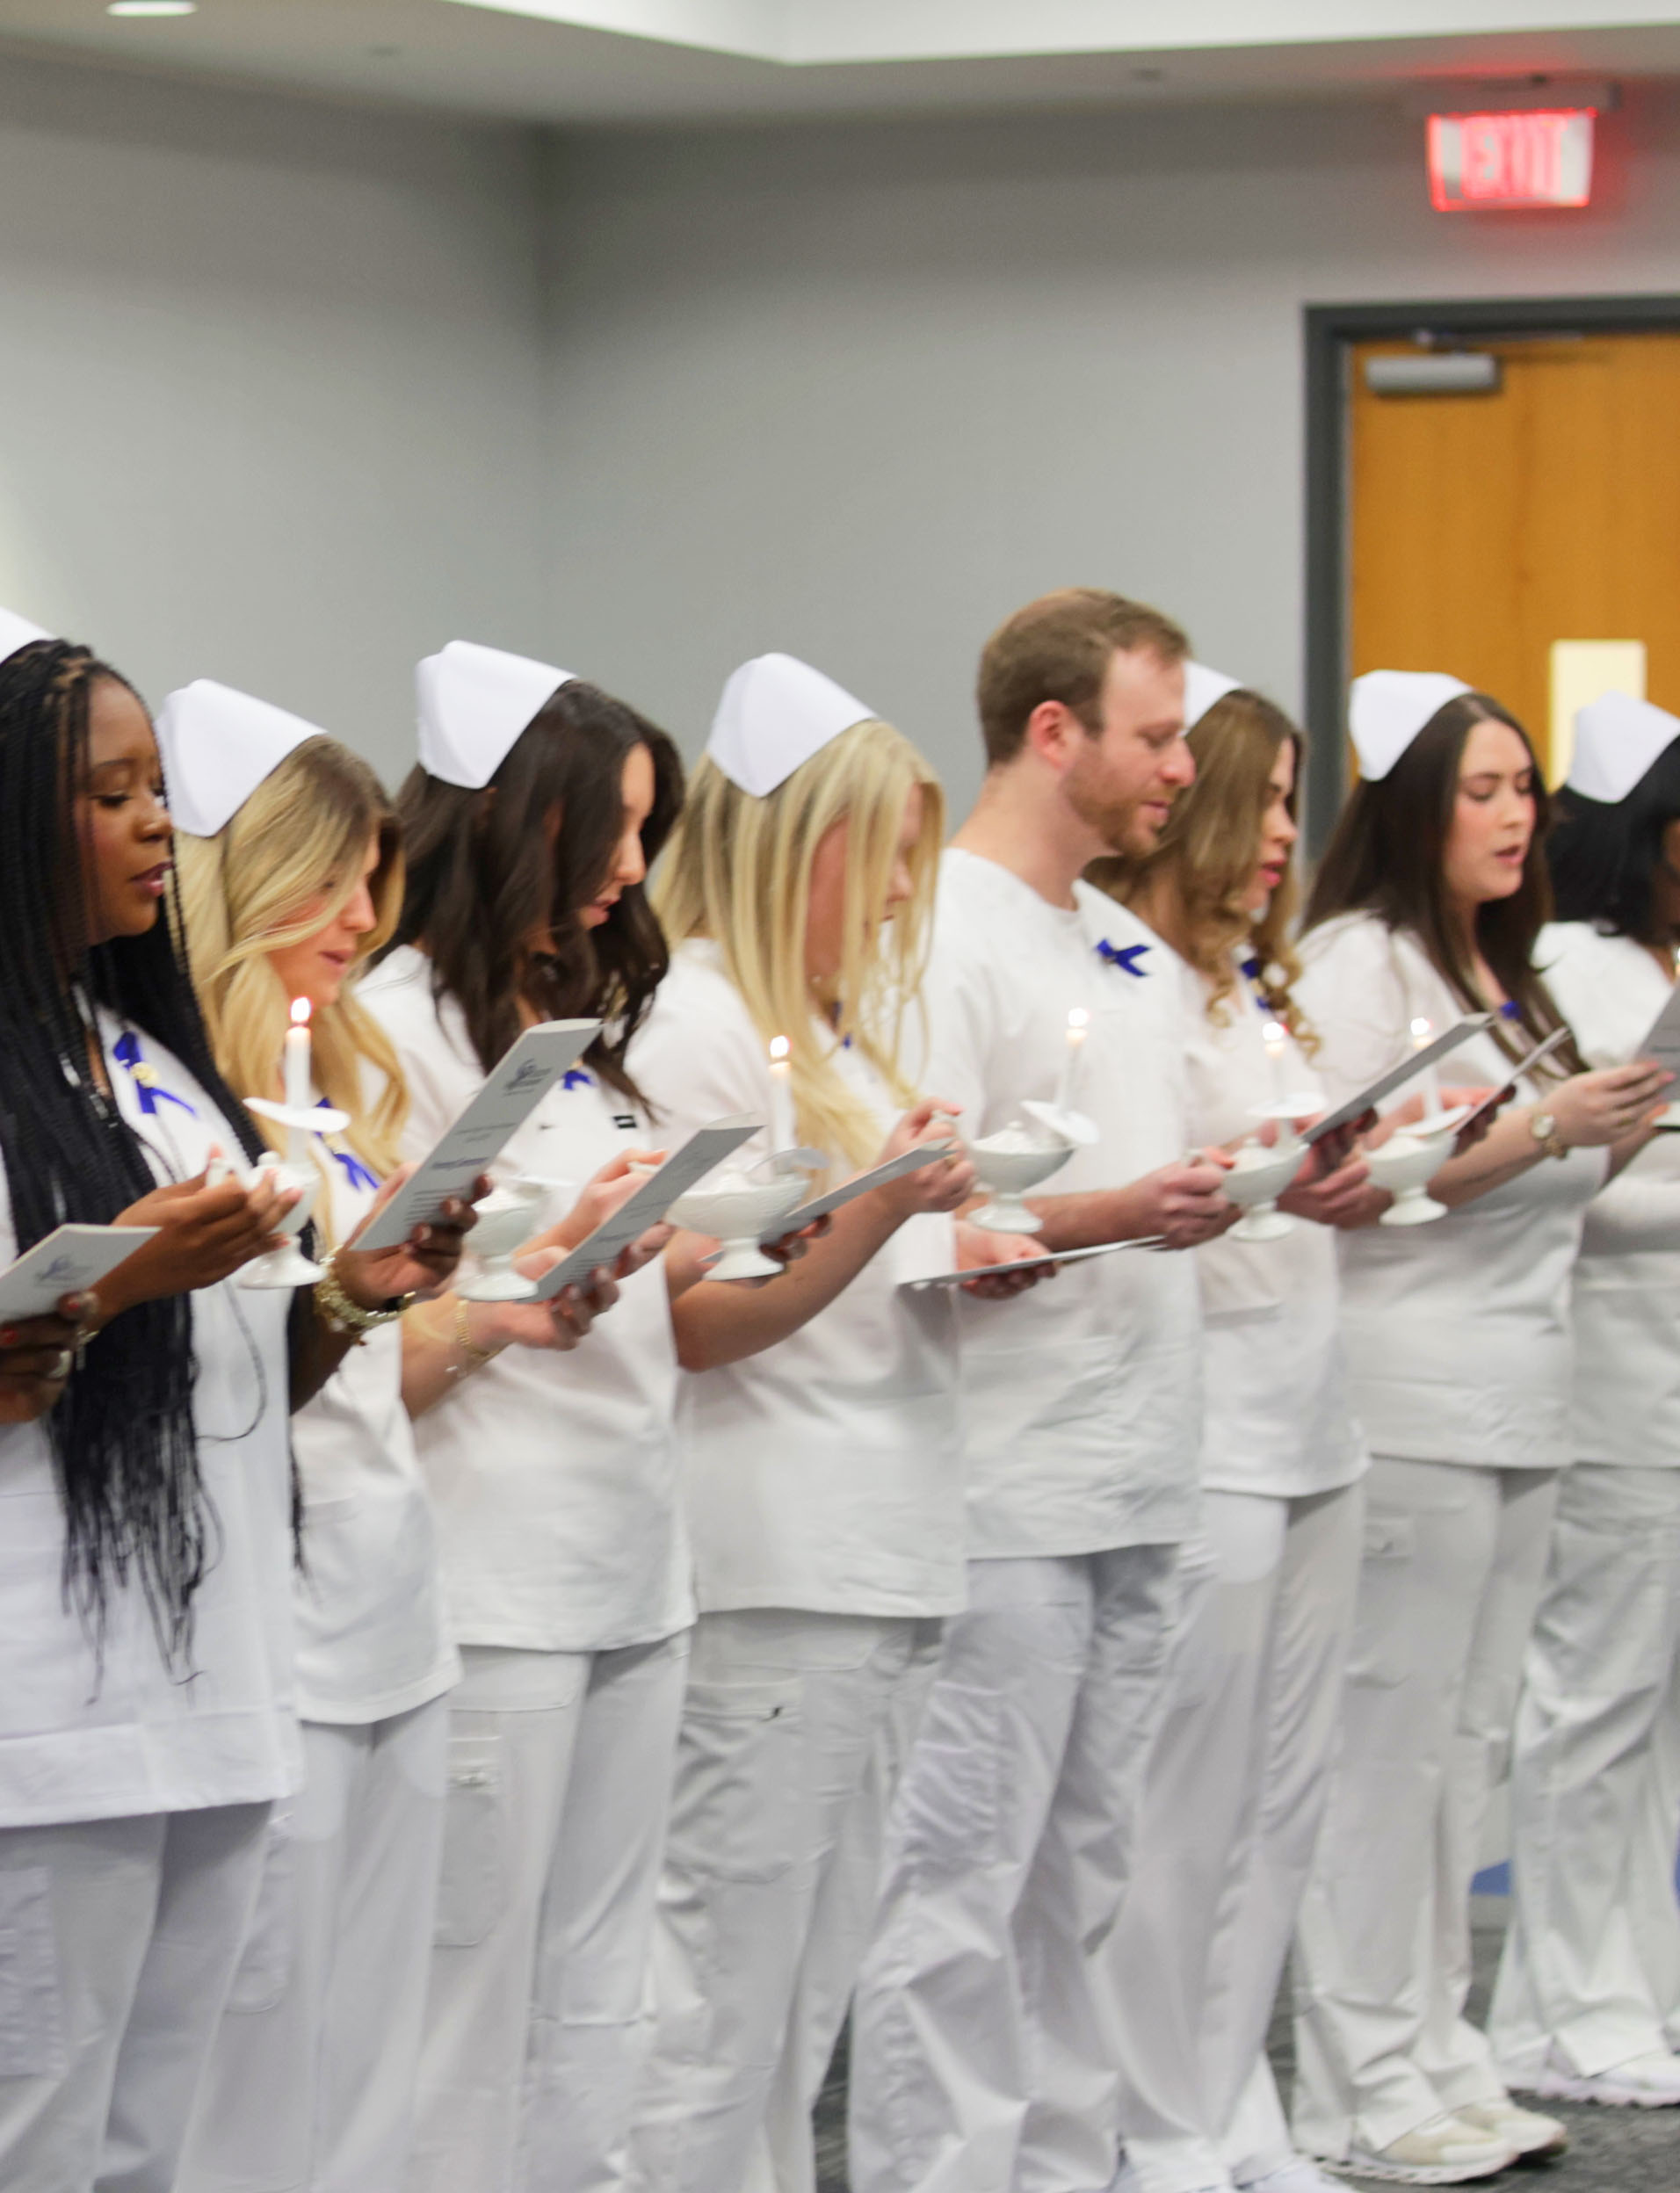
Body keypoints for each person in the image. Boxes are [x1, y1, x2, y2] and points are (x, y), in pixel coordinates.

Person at [0, 586, 464, 2193]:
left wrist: (358, 1293)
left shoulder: (133, 1048)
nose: (159, 827)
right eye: (115, 792)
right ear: (2, 808)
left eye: (157, 792)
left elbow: (229, 1382)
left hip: (204, 1691)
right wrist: (111, 1277)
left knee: (158, 2156)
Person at [160, 681, 607, 2193]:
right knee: (251, 2062)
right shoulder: (186, 1108)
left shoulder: (343, 1091)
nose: (362, 915)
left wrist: (463, 1305)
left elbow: (366, 1378)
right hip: (262, 1629)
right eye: (334, 878)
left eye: (376, 881)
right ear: (249, 876)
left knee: (373, 2048)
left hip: (390, 1603)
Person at [849, 590, 1236, 2193]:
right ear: (1054, 731)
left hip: (1141, 1455)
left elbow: (1157, 1151)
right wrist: (1117, 1213)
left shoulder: (1122, 934)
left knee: (1088, 1872)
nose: (1183, 774)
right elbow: (907, 1213)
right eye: (1155, 739)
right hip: (999, 1482)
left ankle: (1073, 2164)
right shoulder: (941, 930)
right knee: (959, 1882)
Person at [623, 655, 1017, 2193]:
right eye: (889, 845)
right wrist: (883, 1220)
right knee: (719, 1978)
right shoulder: (703, 1027)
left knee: (805, 1988)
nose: (914, 886)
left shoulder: (837, 1032)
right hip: (776, 1559)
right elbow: (698, 1317)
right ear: (798, 841)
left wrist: (951, 1230)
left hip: (881, 1545)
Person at [1286, 673, 1670, 2185]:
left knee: (1463, 1749)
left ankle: (1436, 2048)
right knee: (1384, 1752)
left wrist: (1593, 1129)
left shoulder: (1494, 977)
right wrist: (1549, 1130)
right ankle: (1358, 2078)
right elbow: (1360, 1174)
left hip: (1525, 1393)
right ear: (1411, 805)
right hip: (1412, 1394)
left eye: (1526, 790)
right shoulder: (1359, 961)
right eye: (1484, 789)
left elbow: (1523, 1172)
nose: (1517, 818)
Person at [372, 639, 705, 2193]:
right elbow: (377, 1295)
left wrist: (646, 1221)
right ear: (512, 822)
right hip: (488, 1566)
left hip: (628, 1550)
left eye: (648, 832)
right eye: (609, 832)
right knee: (466, 1994)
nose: (632, 870)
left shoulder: (569, 1015)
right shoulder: (391, 1028)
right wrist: (536, 1277)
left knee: (594, 1983)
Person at [1082, 669, 1385, 2193]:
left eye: (1288, 800)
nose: (1283, 832)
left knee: (1279, 1793)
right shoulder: (1118, 960)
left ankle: (1227, 2101)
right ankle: (1153, 2113)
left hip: (1311, 1413)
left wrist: (1355, 1157)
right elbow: (1131, 1180)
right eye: (1261, 798)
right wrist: (1259, 1163)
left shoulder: (1250, 981)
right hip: (1209, 1425)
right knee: (1176, 1805)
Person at [1493, 688, 1680, 2111]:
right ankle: (1564, 2009)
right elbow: (1562, 1196)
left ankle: (1636, 1985)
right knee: (1593, 1707)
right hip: (1614, 1389)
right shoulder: (1572, 971)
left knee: (1656, 1717)